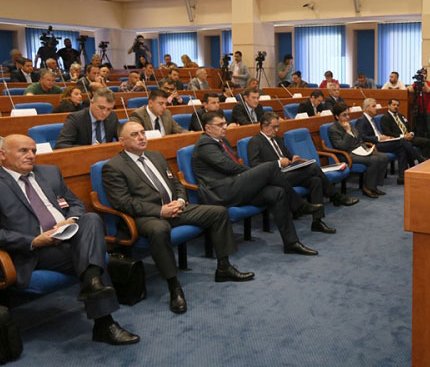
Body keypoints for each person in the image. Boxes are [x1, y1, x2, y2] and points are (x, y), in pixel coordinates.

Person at [0, 135, 139, 345]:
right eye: (23, 151)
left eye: (33, 151)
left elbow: (76, 203)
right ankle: (104, 320)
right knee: (92, 257)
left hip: (69, 236)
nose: (31, 156)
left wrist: (71, 220)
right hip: (34, 250)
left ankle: (93, 283)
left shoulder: (49, 172)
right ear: (2, 155)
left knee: (91, 218)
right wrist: (34, 241)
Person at [102, 122, 253, 314]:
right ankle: (174, 286)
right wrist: (160, 211)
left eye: (142, 132)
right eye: (134, 134)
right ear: (122, 141)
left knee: (218, 212)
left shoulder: (156, 156)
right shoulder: (113, 167)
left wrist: (180, 201)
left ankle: (224, 267)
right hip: (146, 216)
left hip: (175, 207)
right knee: (159, 229)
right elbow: (123, 202)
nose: (141, 137)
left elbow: (177, 183)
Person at [192, 111, 322, 255]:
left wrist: (254, 175)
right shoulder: (205, 145)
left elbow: (233, 167)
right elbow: (229, 167)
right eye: (220, 124)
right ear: (208, 128)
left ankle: (291, 243)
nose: (225, 127)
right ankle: (298, 205)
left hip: (235, 186)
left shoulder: (222, 141)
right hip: (221, 192)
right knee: (270, 167)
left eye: (225, 123)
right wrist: (254, 174)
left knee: (277, 193)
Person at [248, 113, 338, 233]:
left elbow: (287, 155)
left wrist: (293, 158)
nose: (277, 130)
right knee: (313, 168)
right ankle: (334, 195)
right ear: (264, 126)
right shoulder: (255, 141)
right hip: (274, 178)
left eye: (278, 127)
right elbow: (254, 165)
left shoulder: (277, 139)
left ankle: (317, 221)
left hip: (288, 172)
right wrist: (278, 163)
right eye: (274, 127)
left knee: (315, 180)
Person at [329, 102, 390, 198]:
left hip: (360, 151)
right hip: (347, 154)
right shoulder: (333, 129)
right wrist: (348, 132)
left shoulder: (350, 124)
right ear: (337, 116)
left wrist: (366, 149)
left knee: (384, 157)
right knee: (374, 160)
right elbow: (342, 146)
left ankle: (374, 185)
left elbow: (360, 140)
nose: (347, 117)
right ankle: (367, 188)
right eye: (344, 115)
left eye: (348, 114)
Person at [355, 98, 414, 185]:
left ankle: (402, 177)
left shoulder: (372, 119)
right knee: (402, 142)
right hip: (373, 145)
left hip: (381, 142)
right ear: (367, 108)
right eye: (373, 106)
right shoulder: (362, 120)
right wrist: (378, 138)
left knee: (401, 149)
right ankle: (416, 163)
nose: (376, 108)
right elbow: (362, 137)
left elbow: (377, 132)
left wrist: (386, 137)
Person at [409, 68, 430, 145]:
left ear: (427, 75)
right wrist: (415, 85)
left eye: (424, 74)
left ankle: (429, 146)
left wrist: (423, 82)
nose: (423, 75)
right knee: (420, 130)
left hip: (428, 110)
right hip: (419, 110)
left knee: (429, 130)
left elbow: (428, 90)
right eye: (421, 74)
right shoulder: (416, 84)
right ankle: (421, 146)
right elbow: (410, 89)